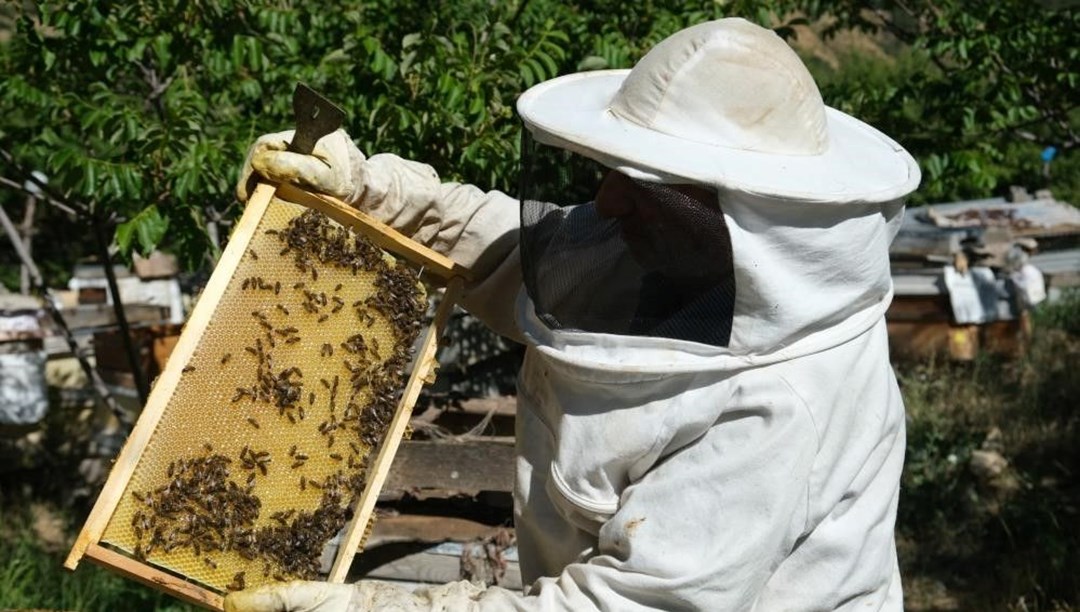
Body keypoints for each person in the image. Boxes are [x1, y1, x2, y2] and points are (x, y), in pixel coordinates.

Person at [228, 17, 921, 611]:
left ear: (741, 214)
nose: (610, 201)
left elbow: (628, 605)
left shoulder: (781, 405)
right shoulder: (680, 255)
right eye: (614, 168)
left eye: (647, 185)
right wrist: (367, 190)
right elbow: (514, 253)